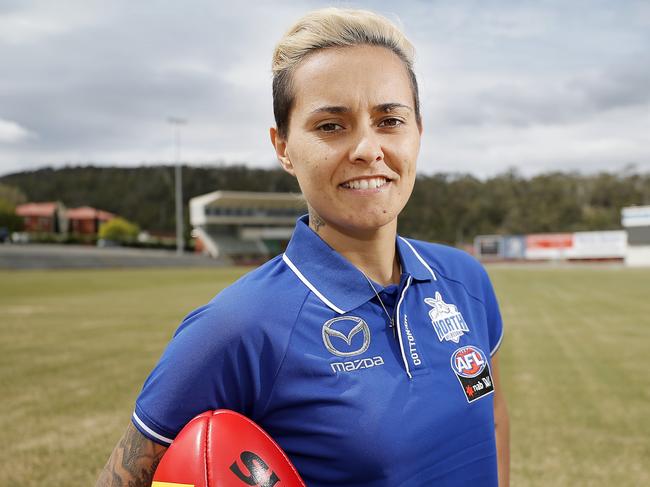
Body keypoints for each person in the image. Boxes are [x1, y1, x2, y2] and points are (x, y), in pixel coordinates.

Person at [96, 7, 509, 486]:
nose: (367, 149)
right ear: (283, 147)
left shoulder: (466, 280)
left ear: (419, 132)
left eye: (390, 120)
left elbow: (494, 419)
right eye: (331, 126)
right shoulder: (234, 328)